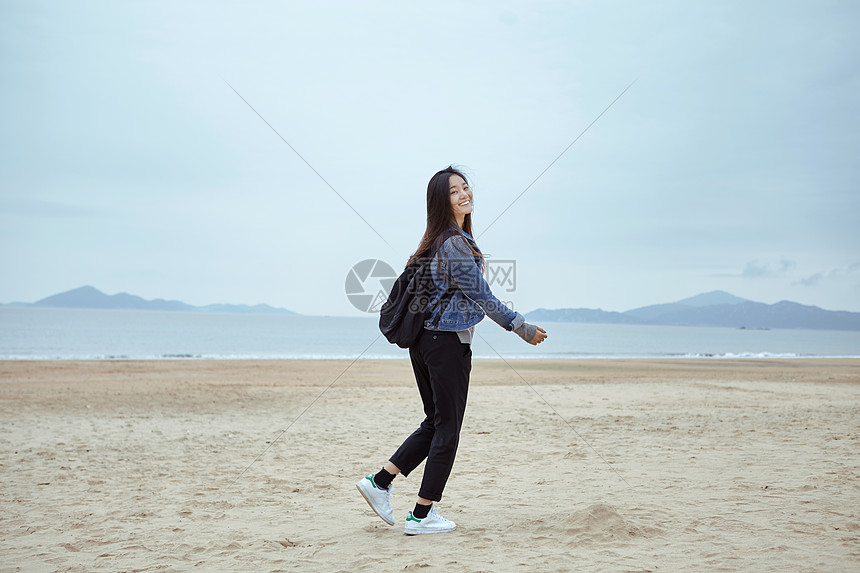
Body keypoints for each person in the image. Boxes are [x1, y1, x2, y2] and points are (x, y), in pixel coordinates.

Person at [356, 165, 547, 535]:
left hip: (425, 344)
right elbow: (484, 298)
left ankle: (380, 482)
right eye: (454, 191)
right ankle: (422, 515)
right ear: (441, 202)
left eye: (465, 188)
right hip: (445, 345)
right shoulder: (455, 243)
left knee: (436, 422)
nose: (464, 194)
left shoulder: (433, 242)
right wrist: (522, 328)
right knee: (448, 429)